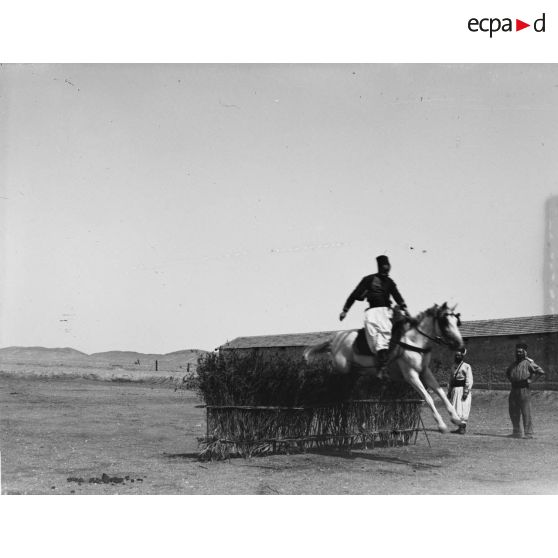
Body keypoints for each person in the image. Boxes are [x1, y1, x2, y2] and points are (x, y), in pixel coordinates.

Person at [339, 255, 407, 377]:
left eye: (388, 266)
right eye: (384, 266)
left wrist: (404, 306)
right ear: (380, 267)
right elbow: (354, 295)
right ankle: (381, 368)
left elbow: (397, 295)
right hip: (373, 313)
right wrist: (345, 310)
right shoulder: (368, 280)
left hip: (387, 312)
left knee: (399, 333)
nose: (387, 268)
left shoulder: (390, 282)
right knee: (378, 340)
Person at [505, 342, 545, 439]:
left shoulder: (528, 363)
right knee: (513, 411)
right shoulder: (513, 364)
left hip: (524, 390)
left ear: (524, 352)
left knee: (526, 411)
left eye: (520, 352)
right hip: (514, 389)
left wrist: (531, 380)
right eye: (517, 352)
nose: (518, 353)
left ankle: (528, 433)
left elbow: (540, 371)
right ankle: (516, 432)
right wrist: (513, 380)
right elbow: (508, 373)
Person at [447, 349, 473, 434]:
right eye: (456, 355)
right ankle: (459, 427)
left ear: (462, 356)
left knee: (463, 408)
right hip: (455, 390)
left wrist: (466, 392)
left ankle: (463, 428)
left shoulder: (466, 366)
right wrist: (449, 391)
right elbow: (451, 380)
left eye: (459, 355)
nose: (457, 356)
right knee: (455, 409)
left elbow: (469, 379)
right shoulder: (453, 366)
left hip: (462, 390)